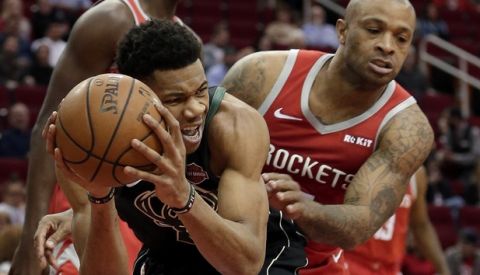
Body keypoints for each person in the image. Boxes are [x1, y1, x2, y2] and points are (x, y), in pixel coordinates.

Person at [40, 19, 270, 274]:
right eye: (175, 99)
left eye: (201, 91)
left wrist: (183, 197)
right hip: (168, 258)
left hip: (259, 257)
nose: (197, 109)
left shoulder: (234, 126)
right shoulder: (86, 148)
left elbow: (245, 265)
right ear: (136, 95)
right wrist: (101, 199)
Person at [221, 0, 434, 273]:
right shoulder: (262, 74)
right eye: (373, 30)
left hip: (310, 264)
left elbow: (359, 225)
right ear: (342, 31)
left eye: (401, 38)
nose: (387, 46)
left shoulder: (408, 128)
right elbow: (200, 162)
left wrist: (301, 208)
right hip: (225, 240)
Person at [10, 1, 195, 274]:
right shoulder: (110, 19)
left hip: (141, 205)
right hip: (84, 192)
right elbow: (48, 127)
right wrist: (28, 240)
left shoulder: (185, 37)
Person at [344, 166, 450, 275]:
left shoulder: (416, 173)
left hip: (389, 268)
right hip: (349, 262)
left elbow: (420, 225)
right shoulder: (358, 159)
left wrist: (443, 270)